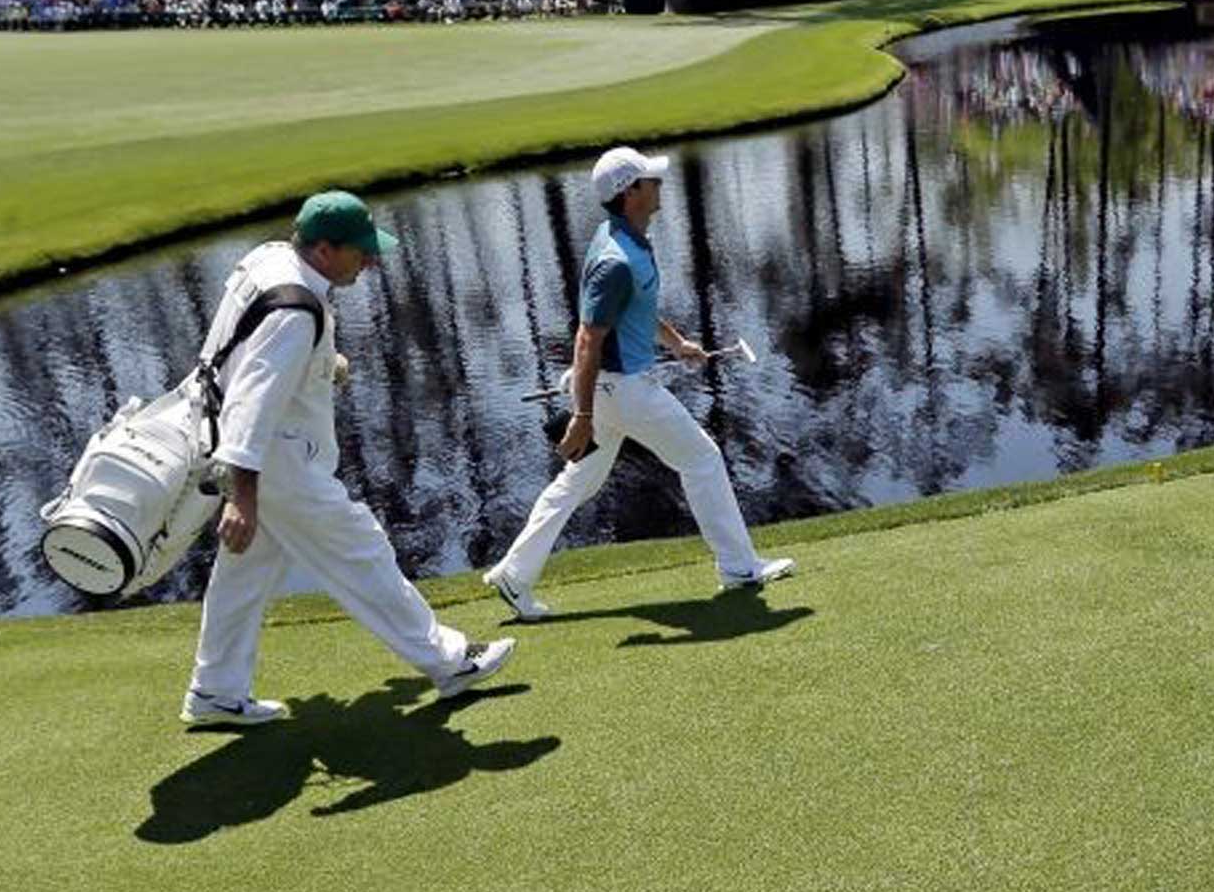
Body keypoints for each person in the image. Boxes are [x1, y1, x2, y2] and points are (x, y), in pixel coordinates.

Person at [182, 190, 515, 725]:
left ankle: (215, 691)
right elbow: (253, 398)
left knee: (243, 574)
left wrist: (319, 363)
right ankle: (450, 662)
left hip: (255, 451)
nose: (372, 260)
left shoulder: (271, 259)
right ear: (324, 250)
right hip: (277, 463)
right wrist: (241, 495)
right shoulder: (297, 310)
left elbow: (242, 349)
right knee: (362, 548)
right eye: (361, 251)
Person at [482, 146, 794, 619]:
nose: (658, 184)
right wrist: (582, 416)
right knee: (702, 459)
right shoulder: (616, 259)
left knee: (577, 482)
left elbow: (637, 308)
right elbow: (588, 339)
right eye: (650, 179)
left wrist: (675, 342)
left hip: (613, 389)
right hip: (623, 391)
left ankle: (513, 573)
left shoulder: (625, 239)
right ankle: (738, 567)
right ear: (631, 193)